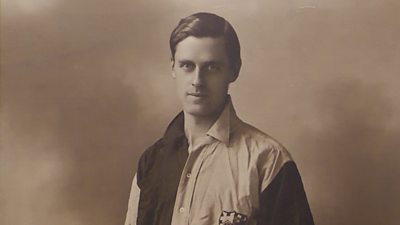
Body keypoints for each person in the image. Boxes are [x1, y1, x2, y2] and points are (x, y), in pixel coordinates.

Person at [124, 12, 314, 225]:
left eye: (212, 67)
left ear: (234, 70)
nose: (198, 80)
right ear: (173, 68)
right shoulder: (151, 162)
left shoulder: (268, 160)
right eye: (187, 65)